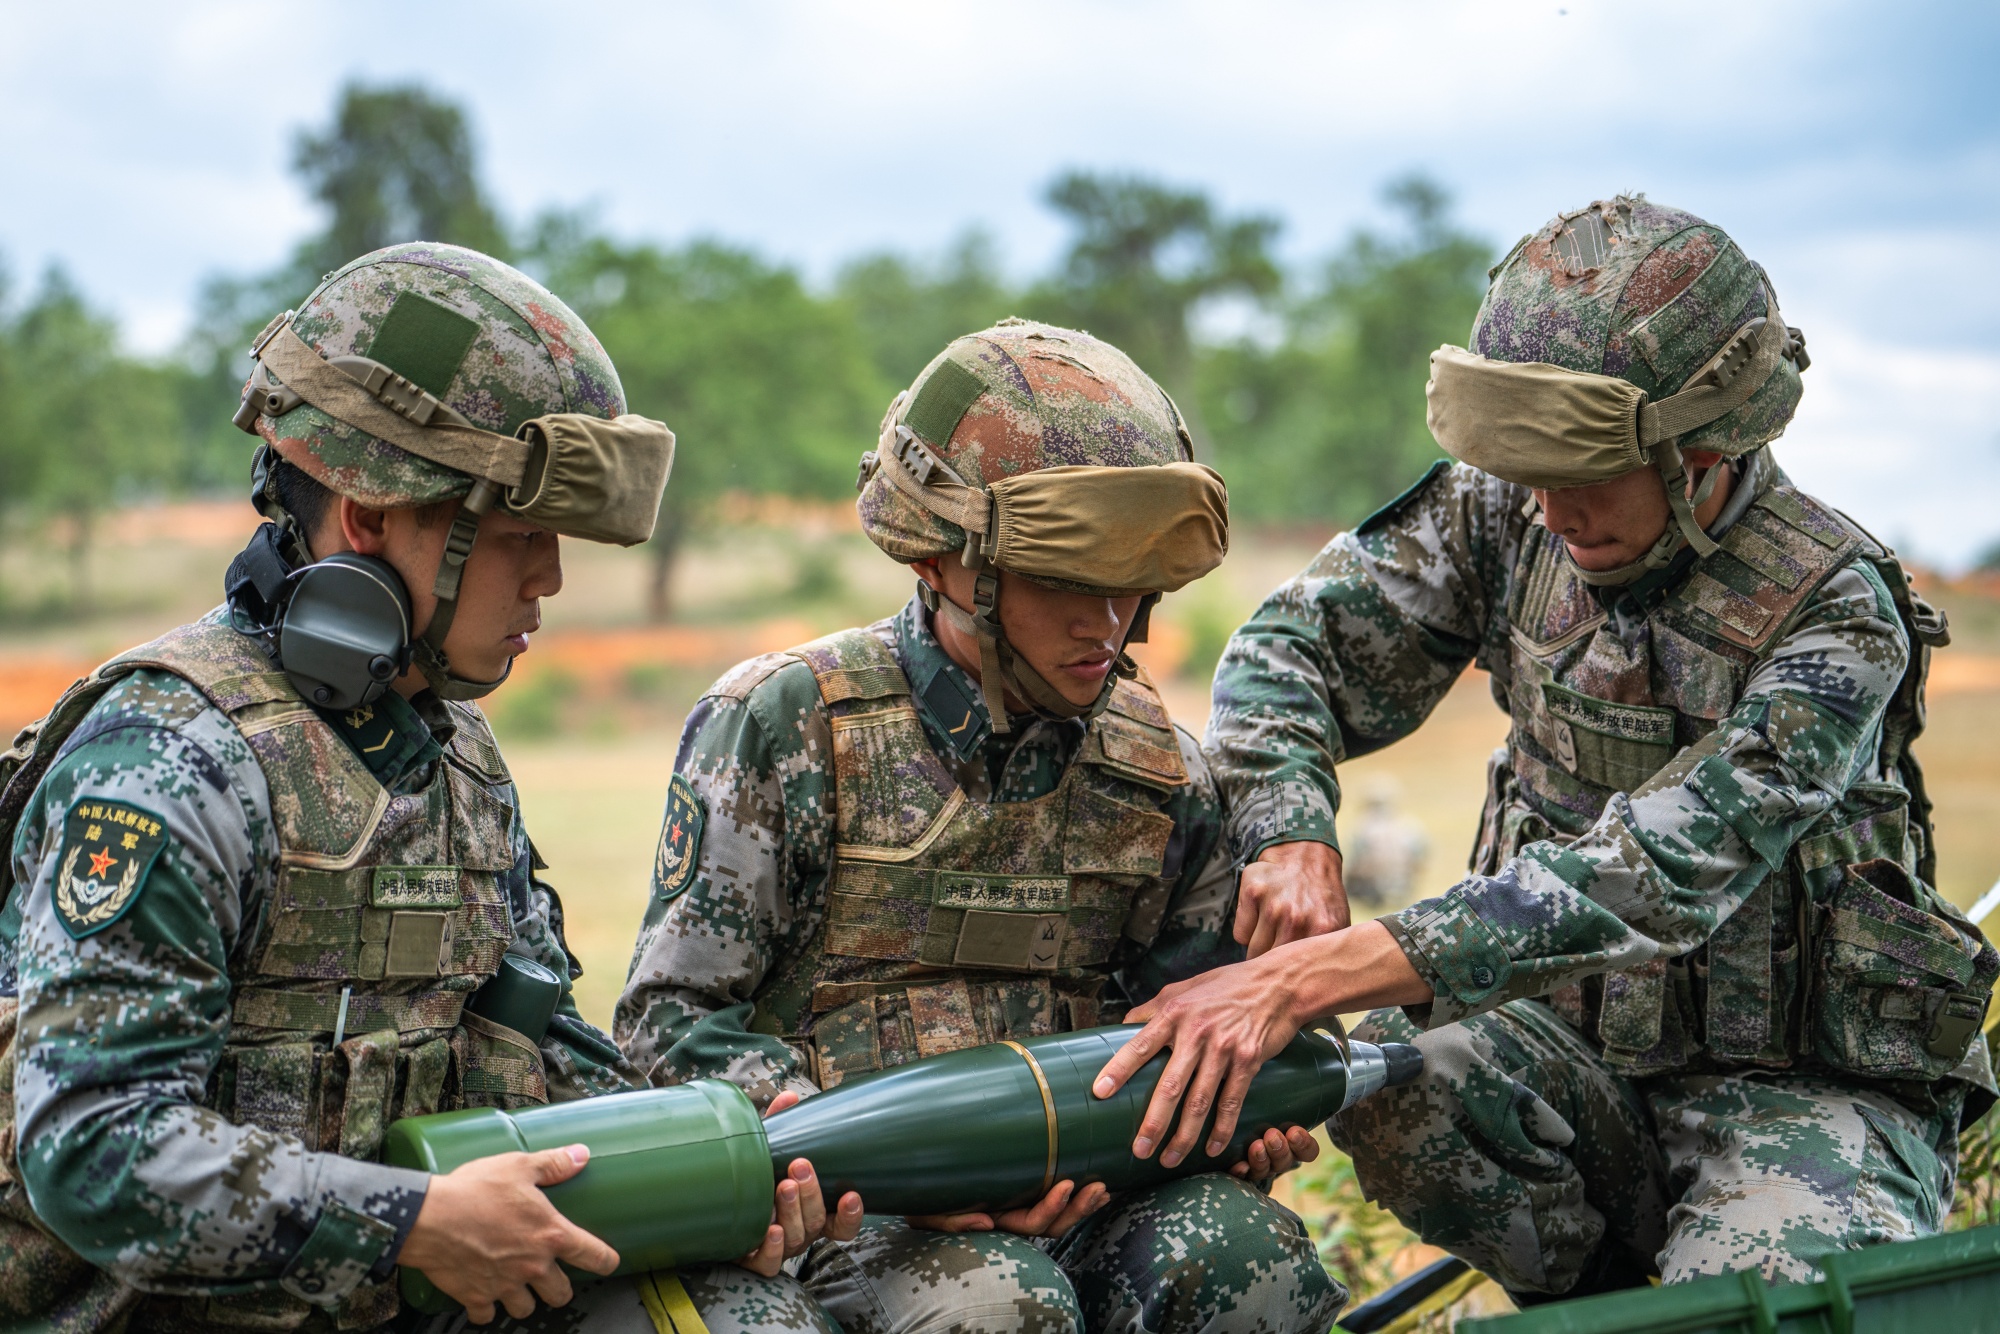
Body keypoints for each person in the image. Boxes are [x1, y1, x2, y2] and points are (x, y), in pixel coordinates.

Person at [1090, 196, 1997, 1302]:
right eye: (1529, 467)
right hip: (1572, 1059)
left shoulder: (1834, 612)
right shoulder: (1505, 513)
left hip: (1804, 1089)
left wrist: (1307, 973)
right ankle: (1591, 1308)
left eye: (1585, 472)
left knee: (1749, 1305)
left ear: (1704, 448)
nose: (1552, 508)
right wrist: (1288, 833)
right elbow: (1288, 648)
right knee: (1402, 1078)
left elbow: (1656, 868)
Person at [0, 243, 836, 1334]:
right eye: (520, 535)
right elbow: (89, 1146)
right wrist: (411, 1221)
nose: (550, 577)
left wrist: (725, 1161)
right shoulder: (170, 760)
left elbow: (540, 1050)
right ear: (370, 514)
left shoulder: (451, 750)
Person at [616, 319, 1344, 1334]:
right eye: (1064, 578)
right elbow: (669, 1024)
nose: (1105, 621)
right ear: (940, 559)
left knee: (1246, 1257)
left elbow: (1196, 1015)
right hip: (855, 1215)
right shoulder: (790, 723)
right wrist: (874, 1159)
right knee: (999, 1301)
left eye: (1129, 580)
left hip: (1098, 1196)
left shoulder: (1160, 770)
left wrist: (1235, 1114)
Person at [1339, 779, 1427, 911]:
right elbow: (1421, 861)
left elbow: (1352, 864)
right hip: (1403, 888)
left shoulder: (1362, 829)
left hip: (1371, 892)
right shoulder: (1410, 827)